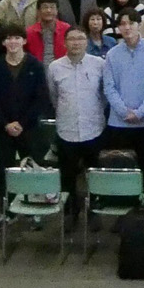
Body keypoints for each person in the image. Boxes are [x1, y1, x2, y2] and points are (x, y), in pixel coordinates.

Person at [47, 27, 107, 217]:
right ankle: (71, 212)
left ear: (87, 42)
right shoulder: (54, 67)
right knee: (67, 177)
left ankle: (95, 211)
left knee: (95, 175)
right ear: (64, 43)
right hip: (67, 130)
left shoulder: (99, 64)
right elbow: (53, 97)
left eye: (80, 38)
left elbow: (104, 96)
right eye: (71, 39)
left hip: (94, 128)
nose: (76, 42)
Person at [99, 10, 144, 179]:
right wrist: (123, 111)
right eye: (123, 24)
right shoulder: (112, 54)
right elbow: (109, 87)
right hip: (119, 123)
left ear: (138, 24)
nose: (127, 28)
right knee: (121, 170)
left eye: (131, 23)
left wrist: (141, 112)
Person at [0, 26, 50, 173]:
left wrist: (22, 123)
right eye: (8, 38)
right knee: (3, 170)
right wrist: (6, 124)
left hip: (29, 128)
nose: (12, 42)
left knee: (33, 170)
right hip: (4, 129)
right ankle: (4, 196)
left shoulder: (35, 65)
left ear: (24, 41)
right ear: (3, 43)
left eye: (17, 38)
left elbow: (41, 98)